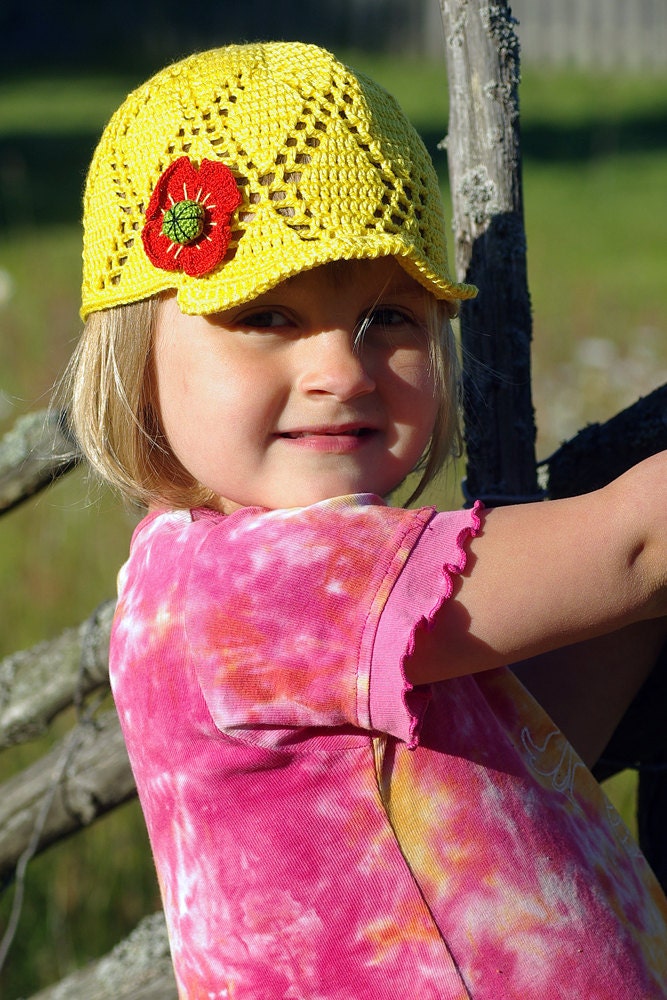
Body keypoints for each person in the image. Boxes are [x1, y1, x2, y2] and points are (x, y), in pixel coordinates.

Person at [63, 41, 667, 998]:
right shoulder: (267, 587)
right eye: (265, 316)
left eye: (388, 316)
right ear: (137, 358)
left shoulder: (214, 581)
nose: (340, 371)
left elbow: (518, 750)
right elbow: (638, 549)